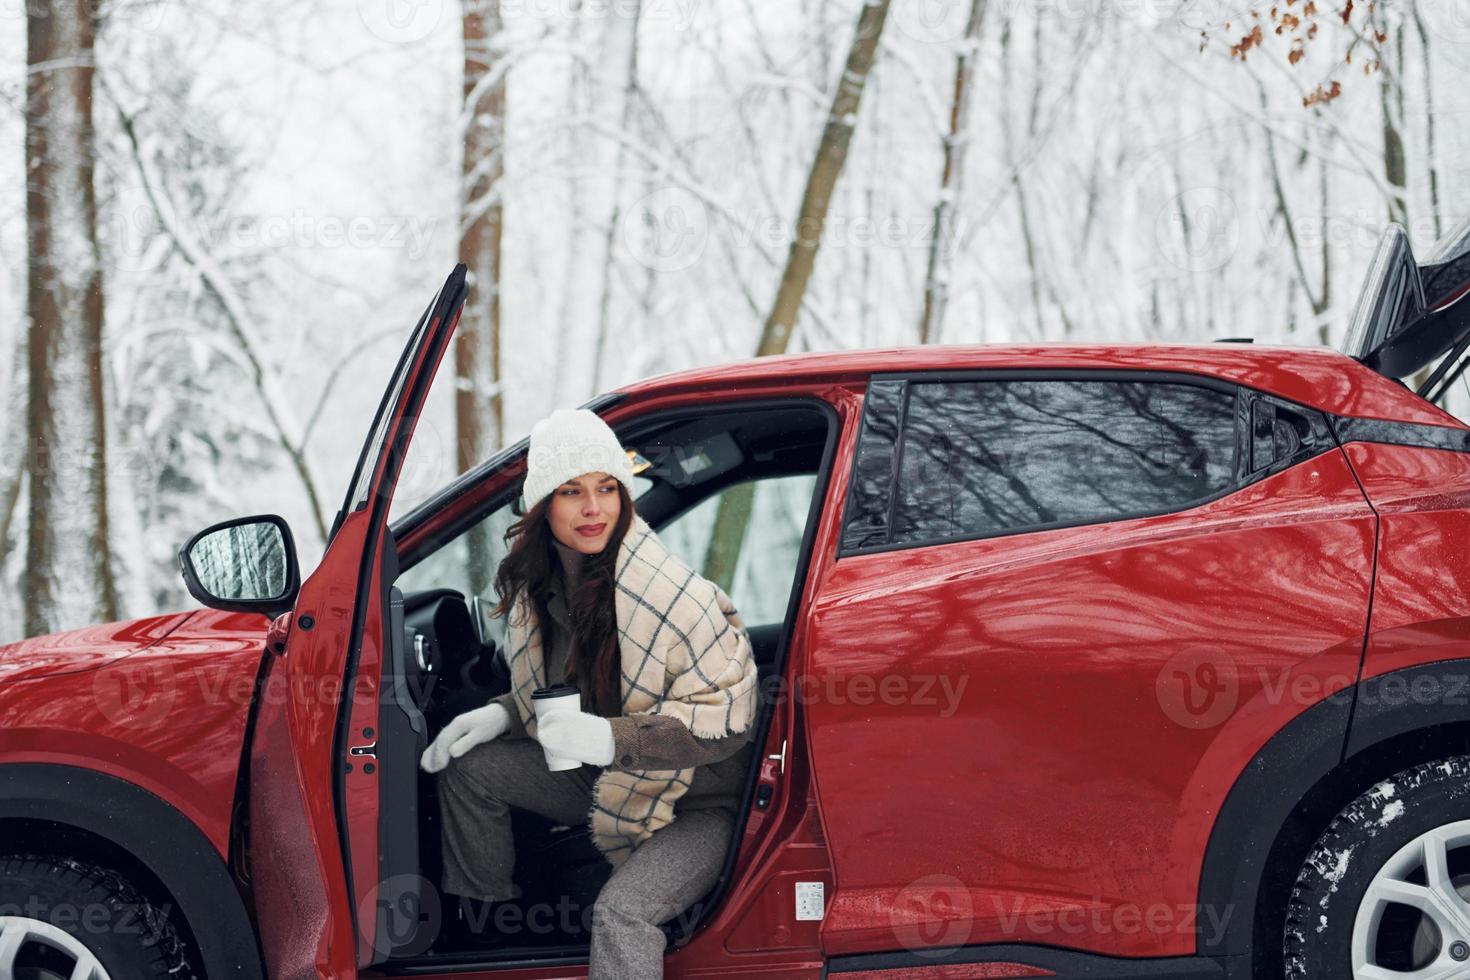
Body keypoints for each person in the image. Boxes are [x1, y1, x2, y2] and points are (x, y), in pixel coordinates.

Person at [420, 407, 759, 979]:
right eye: (571, 491)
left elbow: (725, 729)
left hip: (699, 800)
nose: (593, 507)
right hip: (608, 774)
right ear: (543, 504)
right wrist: (504, 715)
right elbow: (556, 695)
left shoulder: (679, 598)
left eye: (606, 488)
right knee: (469, 770)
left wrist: (607, 736)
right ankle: (486, 943)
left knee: (621, 916)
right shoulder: (541, 593)